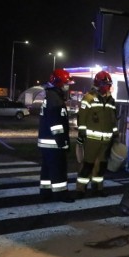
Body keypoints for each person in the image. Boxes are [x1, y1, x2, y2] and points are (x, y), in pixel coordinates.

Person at [76, 70, 119, 197]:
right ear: (97, 84)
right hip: (91, 140)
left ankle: (98, 188)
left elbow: (113, 120)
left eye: (108, 84)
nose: (107, 87)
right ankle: (80, 189)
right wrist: (81, 135)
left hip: (106, 141)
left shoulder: (111, 100)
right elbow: (81, 118)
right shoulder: (88, 98)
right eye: (105, 84)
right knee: (87, 165)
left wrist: (115, 135)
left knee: (101, 166)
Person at [38, 68, 75, 203]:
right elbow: (56, 124)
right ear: (59, 83)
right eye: (66, 83)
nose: (67, 86)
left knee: (47, 170)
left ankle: (45, 193)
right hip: (54, 143)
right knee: (58, 169)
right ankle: (61, 195)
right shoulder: (55, 99)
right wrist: (62, 142)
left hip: (46, 142)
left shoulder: (52, 96)